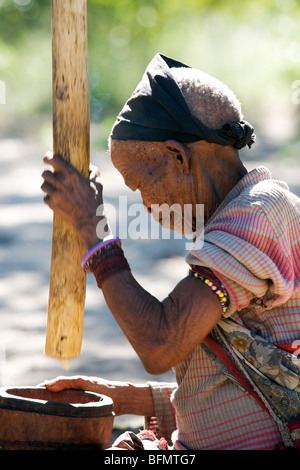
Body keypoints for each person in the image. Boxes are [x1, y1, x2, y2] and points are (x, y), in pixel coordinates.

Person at [41, 53, 300, 450]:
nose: (144, 204)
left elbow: (162, 343)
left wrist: (93, 234)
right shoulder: (235, 220)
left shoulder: (260, 210)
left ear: (178, 157)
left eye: (140, 184)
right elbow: (230, 386)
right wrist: (121, 396)